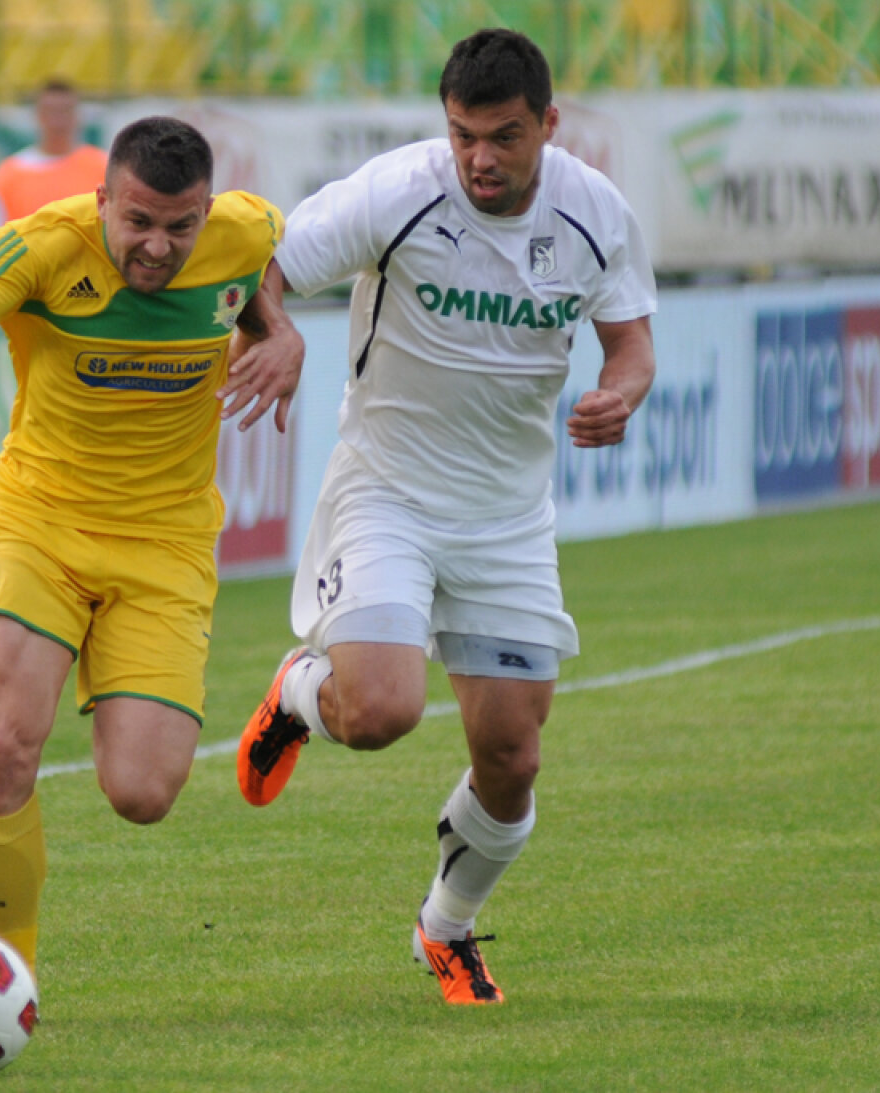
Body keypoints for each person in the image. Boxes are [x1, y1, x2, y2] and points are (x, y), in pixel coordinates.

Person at [236, 28, 657, 1005]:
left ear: (550, 126)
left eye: (505, 136)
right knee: (379, 710)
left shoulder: (596, 214)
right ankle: (304, 691)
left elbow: (631, 343)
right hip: (387, 488)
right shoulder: (398, 191)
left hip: (507, 518)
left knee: (511, 757)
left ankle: (446, 928)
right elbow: (259, 266)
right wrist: (281, 330)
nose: (480, 158)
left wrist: (623, 391)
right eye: (464, 133)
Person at [0, 115, 303, 977]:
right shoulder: (41, 246)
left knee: (143, 794)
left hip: (167, 543)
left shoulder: (245, 229)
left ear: (207, 210)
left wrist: (280, 334)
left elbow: (259, 281)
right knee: (4, 744)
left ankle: (293, 690)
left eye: (180, 226)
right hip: (41, 526)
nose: (158, 246)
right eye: (137, 221)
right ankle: (5, 973)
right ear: (102, 198)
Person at [0, 77, 109, 234]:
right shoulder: (11, 173)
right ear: (38, 115)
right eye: (51, 111)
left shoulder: (102, 166)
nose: (58, 121)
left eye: (65, 111)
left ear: (77, 115)